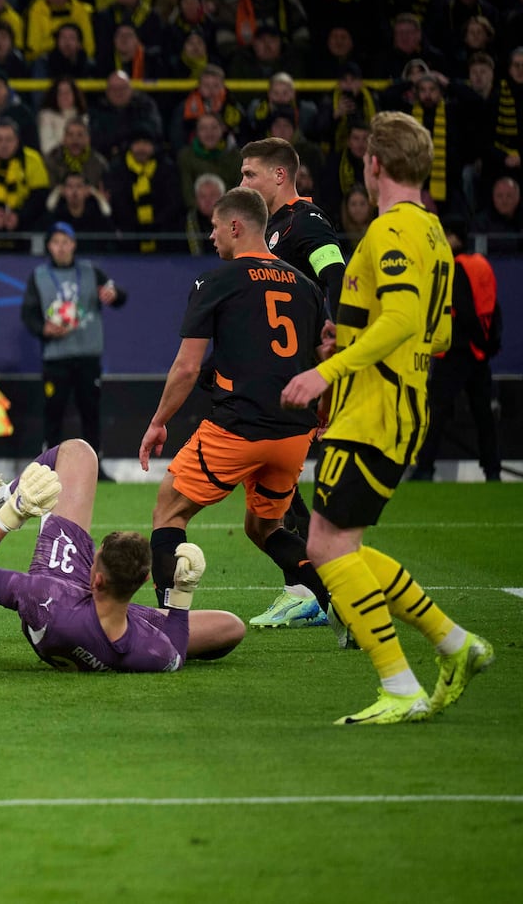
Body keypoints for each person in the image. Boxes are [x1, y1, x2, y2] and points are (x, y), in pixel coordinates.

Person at [280, 112, 495, 725]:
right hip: (402, 409)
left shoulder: (390, 231)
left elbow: (401, 321)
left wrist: (328, 370)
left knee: (325, 546)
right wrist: (344, 335)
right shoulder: (434, 236)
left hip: (370, 412)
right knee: (340, 545)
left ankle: (400, 685)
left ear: (373, 166)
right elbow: (441, 329)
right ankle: (456, 646)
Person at [138, 187, 331, 638]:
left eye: (214, 226)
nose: (210, 236)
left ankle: (170, 625)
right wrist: (323, 413)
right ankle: (335, 596)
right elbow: (321, 359)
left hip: (238, 428)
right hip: (293, 432)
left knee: (169, 512)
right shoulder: (306, 288)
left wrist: (158, 421)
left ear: (236, 226)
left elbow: (186, 367)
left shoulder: (215, 282)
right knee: (263, 527)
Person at [0, 441, 246, 672]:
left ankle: (2, 498)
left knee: (79, 452)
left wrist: (10, 516)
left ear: (95, 577)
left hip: (58, 603)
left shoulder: (44, 593)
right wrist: (182, 594)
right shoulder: (148, 650)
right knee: (231, 627)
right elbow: (176, 655)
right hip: (111, 619)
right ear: (144, 579)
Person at [236, 136, 347, 620]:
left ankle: (313, 591)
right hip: (273, 373)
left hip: (298, 375)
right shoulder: (272, 227)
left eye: (249, 175)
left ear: (280, 175)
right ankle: (308, 588)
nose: (242, 183)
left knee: (281, 477)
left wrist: (339, 328)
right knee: (278, 478)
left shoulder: (306, 221)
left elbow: (335, 271)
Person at [20, 223, 127, 473]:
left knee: (90, 412)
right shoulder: (39, 276)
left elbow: (119, 295)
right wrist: (43, 329)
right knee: (53, 414)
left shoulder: (91, 272)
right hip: (56, 357)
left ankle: (95, 469)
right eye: (56, 242)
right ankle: (46, 471)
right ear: (49, 246)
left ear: (74, 244)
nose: (61, 247)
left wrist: (113, 294)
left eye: (65, 242)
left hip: (88, 355)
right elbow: (28, 313)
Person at [411, 223, 502, 482]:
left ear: (454, 238)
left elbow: (462, 308)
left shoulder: (455, 266)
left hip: (455, 350)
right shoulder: (480, 264)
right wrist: (487, 343)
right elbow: (491, 307)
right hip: (478, 352)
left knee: (436, 411)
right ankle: (492, 469)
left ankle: (425, 467)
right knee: (483, 413)